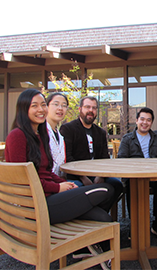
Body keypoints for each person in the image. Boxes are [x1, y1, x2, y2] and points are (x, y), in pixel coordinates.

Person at [5, 89, 115, 269]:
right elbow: (24, 181)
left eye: (42, 105)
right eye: (35, 106)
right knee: (106, 189)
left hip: (48, 197)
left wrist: (62, 183)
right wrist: (58, 188)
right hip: (35, 206)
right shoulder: (17, 135)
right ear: (23, 108)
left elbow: (45, 171)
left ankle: (99, 254)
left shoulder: (38, 136)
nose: (41, 109)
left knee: (104, 219)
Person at [117, 107, 157, 241]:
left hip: (154, 175)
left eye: (148, 120)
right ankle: (134, 224)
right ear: (137, 121)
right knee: (132, 185)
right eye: (142, 119)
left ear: (152, 122)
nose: (145, 122)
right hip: (134, 175)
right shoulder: (127, 139)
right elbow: (121, 159)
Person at [60, 96, 123, 204]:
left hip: (97, 174)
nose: (91, 110)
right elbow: (68, 157)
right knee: (77, 190)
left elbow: (105, 158)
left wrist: (100, 176)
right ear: (80, 109)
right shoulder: (68, 129)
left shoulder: (100, 132)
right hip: (76, 176)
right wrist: (84, 178)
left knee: (117, 185)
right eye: (87, 107)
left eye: (94, 108)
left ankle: (101, 213)